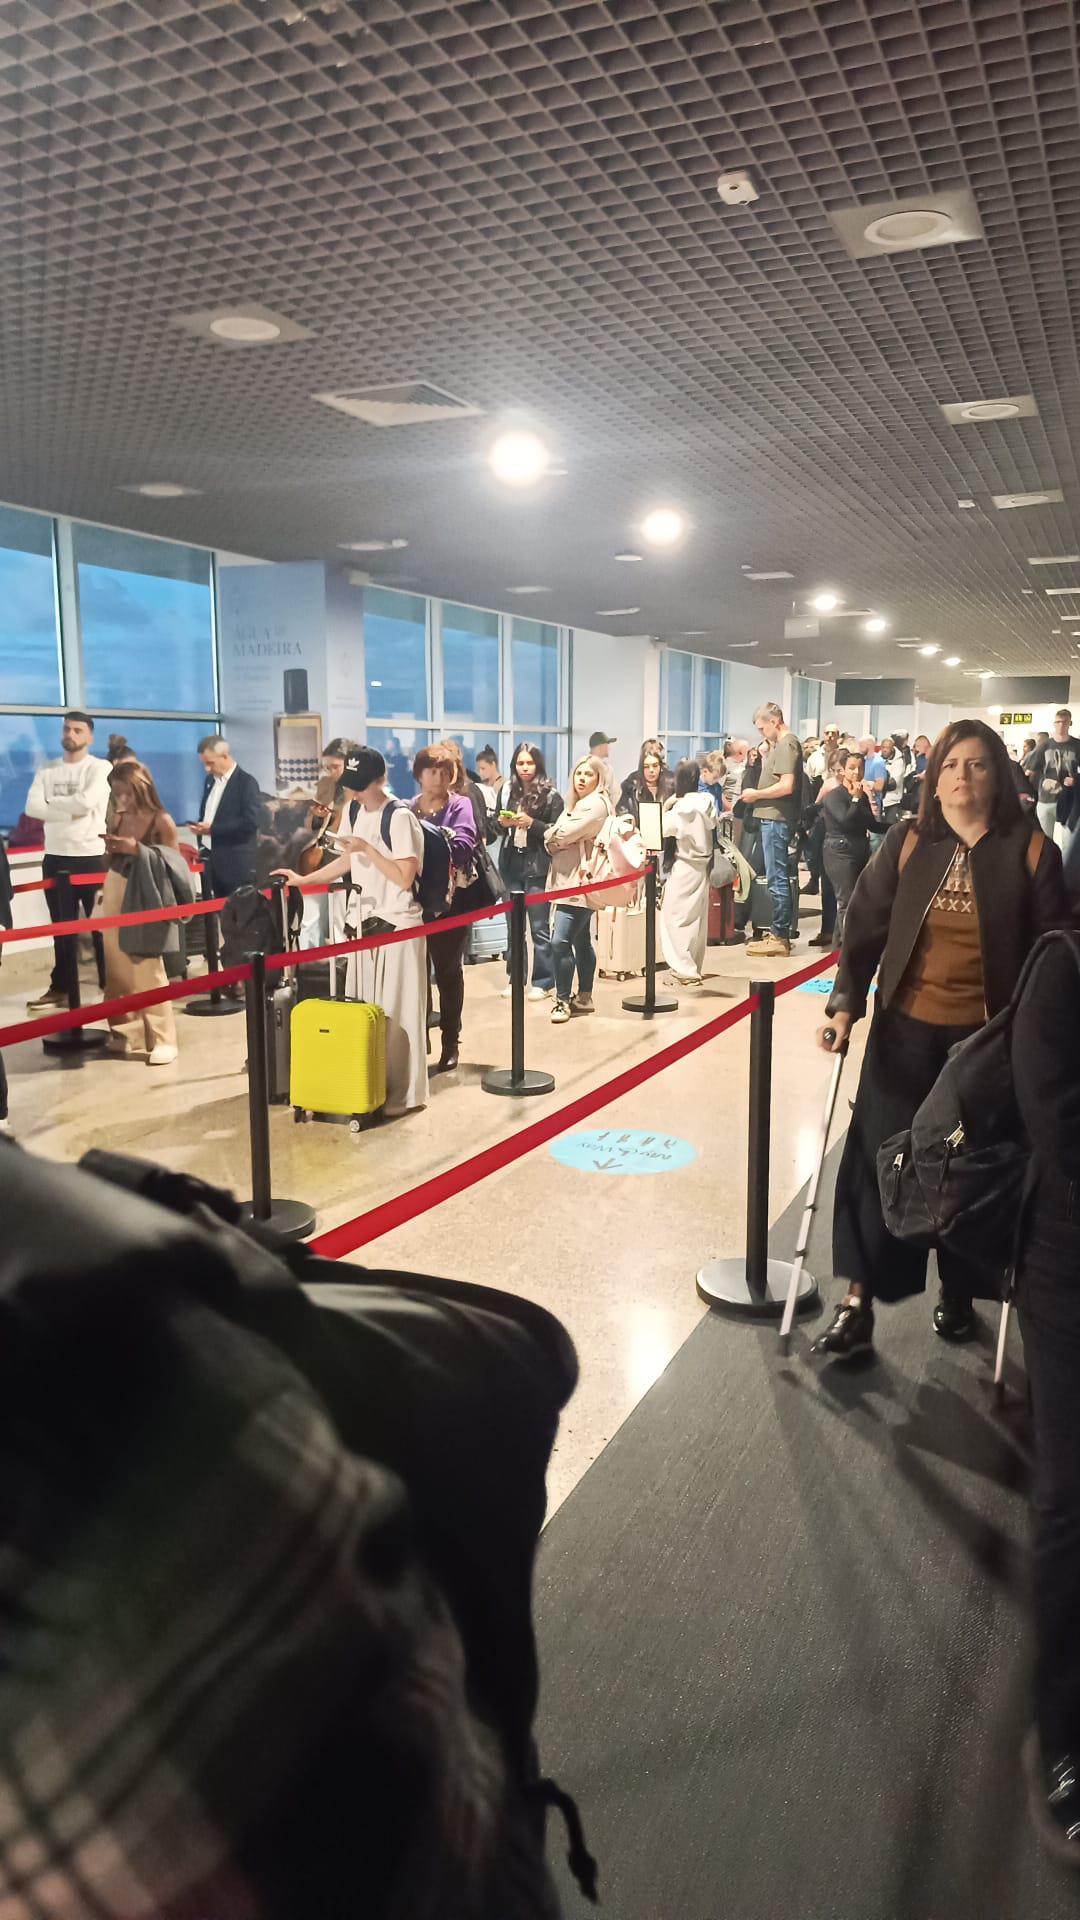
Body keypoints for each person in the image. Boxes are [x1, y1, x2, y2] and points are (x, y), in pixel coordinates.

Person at [813, 719, 1068, 1361]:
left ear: (999, 777)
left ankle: (959, 1289)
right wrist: (845, 1004)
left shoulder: (1032, 852)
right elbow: (865, 923)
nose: (963, 777)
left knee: (968, 1176)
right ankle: (858, 1299)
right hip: (903, 1030)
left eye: (978, 765)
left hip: (984, 1046)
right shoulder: (907, 841)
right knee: (879, 1162)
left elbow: (1054, 955)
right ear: (935, 777)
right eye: (952, 765)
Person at [1009, 935, 1080, 1862]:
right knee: (1070, 1496)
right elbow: (1054, 1119)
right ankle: (1064, 1729)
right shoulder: (1064, 964)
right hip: (1067, 1267)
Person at [275, 747, 427, 1118]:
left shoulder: (400, 816)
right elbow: (346, 861)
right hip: (362, 923)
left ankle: (402, 1095)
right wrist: (303, 880)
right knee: (364, 1012)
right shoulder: (354, 810)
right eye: (351, 786)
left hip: (398, 925)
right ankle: (365, 1087)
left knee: (398, 1017)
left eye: (361, 786)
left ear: (381, 780)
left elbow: (404, 877)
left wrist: (367, 849)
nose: (355, 793)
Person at [98, 761, 183, 1065]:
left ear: (140, 789)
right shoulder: (118, 819)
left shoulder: (162, 821)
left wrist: (137, 849)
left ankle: (163, 1038)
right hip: (115, 890)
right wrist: (111, 847)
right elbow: (106, 866)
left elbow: (174, 866)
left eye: (126, 793)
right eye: (116, 794)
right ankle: (124, 1033)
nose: (121, 800)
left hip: (146, 896)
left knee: (148, 967)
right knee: (116, 970)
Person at [24, 710, 110, 1011]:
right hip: (56, 858)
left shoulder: (100, 767)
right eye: (66, 729)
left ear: (89, 736)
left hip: (91, 857)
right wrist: (68, 809)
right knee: (62, 928)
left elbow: (87, 803)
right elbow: (33, 807)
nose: (70, 735)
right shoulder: (47, 769)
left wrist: (53, 805)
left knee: (102, 927)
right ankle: (61, 987)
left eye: (77, 730)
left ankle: (109, 985)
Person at [412, 744, 478, 1075]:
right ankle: (414, 1042)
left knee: (448, 972)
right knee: (414, 974)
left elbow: (464, 845)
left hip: (453, 904)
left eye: (443, 770)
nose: (436, 776)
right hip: (414, 903)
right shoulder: (408, 808)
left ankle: (450, 1041)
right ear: (419, 773)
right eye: (430, 769)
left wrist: (427, 841)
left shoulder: (460, 804)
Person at [492, 742, 564, 1000]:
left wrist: (531, 823)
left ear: (538, 764)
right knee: (514, 928)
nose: (524, 768)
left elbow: (557, 832)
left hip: (538, 866)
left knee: (539, 927)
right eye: (520, 763)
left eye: (529, 762)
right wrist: (502, 823)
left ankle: (544, 982)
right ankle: (515, 979)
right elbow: (495, 829)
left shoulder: (551, 795)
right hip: (511, 863)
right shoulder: (507, 791)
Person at [543, 756, 612, 1024]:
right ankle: (585, 996)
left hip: (579, 881)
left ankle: (562, 999)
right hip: (571, 879)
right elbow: (562, 834)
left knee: (559, 940)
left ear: (599, 778)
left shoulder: (595, 804)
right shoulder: (577, 804)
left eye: (588, 774)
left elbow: (563, 834)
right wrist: (556, 836)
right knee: (581, 940)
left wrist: (551, 836)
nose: (582, 778)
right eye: (578, 773)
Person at [740, 702, 803, 958]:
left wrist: (756, 794)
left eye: (762, 727)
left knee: (777, 877)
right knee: (775, 874)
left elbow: (787, 785)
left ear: (774, 721)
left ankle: (780, 933)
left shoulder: (787, 744)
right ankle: (779, 931)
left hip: (776, 818)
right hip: (772, 817)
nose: (761, 734)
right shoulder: (780, 746)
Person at [660, 759, 717, 986]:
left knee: (675, 918)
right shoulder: (707, 802)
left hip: (684, 866)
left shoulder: (680, 809)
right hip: (703, 866)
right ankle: (693, 965)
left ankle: (685, 969)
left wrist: (666, 806)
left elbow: (660, 829)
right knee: (696, 919)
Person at [191, 735, 262, 898]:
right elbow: (207, 813)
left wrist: (213, 830)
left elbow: (251, 823)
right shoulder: (210, 781)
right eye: (204, 764)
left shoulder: (246, 783)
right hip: (210, 860)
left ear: (224, 756)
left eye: (210, 763)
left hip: (236, 864)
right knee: (215, 916)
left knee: (240, 916)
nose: (207, 769)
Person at [819, 750, 877, 944]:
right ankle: (849, 948)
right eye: (852, 768)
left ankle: (839, 946)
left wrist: (901, 826)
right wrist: (854, 799)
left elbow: (871, 824)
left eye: (860, 768)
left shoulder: (861, 796)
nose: (857, 772)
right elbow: (844, 820)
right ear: (842, 771)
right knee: (847, 900)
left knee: (854, 899)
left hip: (859, 848)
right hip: (839, 852)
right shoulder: (834, 796)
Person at [1028, 709, 1080, 855]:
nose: (1061, 726)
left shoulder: (1077, 745)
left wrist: (1075, 779)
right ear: (1053, 724)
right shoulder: (1044, 746)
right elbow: (1030, 771)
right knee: (1045, 842)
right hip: (1046, 798)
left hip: (1069, 800)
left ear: (1070, 723)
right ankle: (1048, 873)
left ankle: (1067, 874)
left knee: (1069, 843)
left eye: (1064, 722)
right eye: (1058, 722)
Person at [619, 738, 674, 821]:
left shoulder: (672, 783)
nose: (651, 770)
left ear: (661, 766)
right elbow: (623, 814)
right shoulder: (630, 786)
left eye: (655, 766)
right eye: (646, 767)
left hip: (667, 832)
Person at [588, 730, 621, 804]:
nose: (609, 748)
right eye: (607, 745)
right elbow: (615, 793)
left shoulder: (608, 768)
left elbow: (616, 793)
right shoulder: (585, 766)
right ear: (601, 746)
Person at [474, 744, 503, 820]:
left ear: (493, 765)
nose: (480, 772)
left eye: (483, 768)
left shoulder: (504, 785)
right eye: (479, 769)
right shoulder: (481, 786)